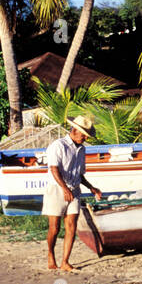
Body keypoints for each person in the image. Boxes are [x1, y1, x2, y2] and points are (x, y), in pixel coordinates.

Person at [43, 115, 103, 271]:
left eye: (86, 135)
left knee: (71, 226)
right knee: (54, 228)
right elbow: (54, 169)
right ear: (74, 130)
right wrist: (64, 188)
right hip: (57, 189)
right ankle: (50, 254)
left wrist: (91, 187)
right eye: (83, 134)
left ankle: (65, 262)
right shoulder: (58, 145)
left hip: (74, 189)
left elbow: (79, 174)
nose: (84, 138)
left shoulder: (82, 149)